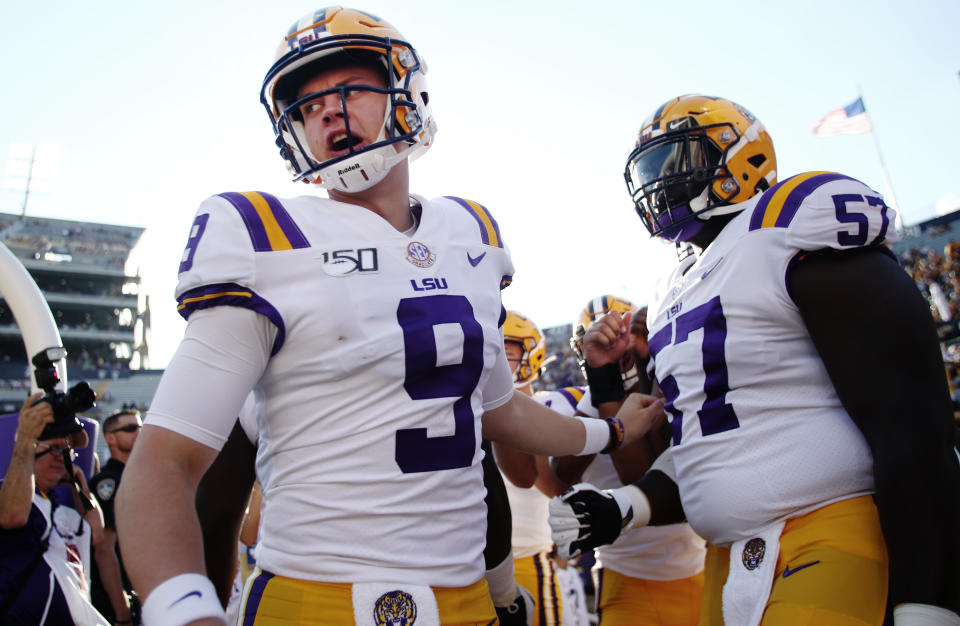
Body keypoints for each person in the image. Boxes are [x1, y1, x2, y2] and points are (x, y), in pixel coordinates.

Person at [115, 8, 663, 626]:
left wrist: (614, 433)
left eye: (347, 89)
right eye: (305, 105)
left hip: (466, 601)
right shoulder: (263, 235)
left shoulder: (471, 235)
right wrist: (183, 611)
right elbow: (164, 460)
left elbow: (499, 409)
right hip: (315, 601)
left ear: (408, 91)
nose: (325, 111)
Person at [550, 94, 960, 625]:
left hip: (831, 533)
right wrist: (628, 505)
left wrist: (931, 596)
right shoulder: (676, 286)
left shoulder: (788, 222)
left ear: (742, 159)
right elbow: (709, 444)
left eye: (677, 162)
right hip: (727, 563)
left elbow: (911, 417)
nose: (659, 182)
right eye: (651, 169)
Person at [553, 297, 705, 626]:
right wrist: (603, 396)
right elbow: (562, 473)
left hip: (699, 567)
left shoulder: (668, 386)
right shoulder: (586, 402)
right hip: (628, 574)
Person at [492, 310, 586, 626]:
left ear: (531, 356)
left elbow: (554, 485)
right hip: (475, 563)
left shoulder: (554, 404)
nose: (491, 361)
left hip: (529, 557)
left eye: (503, 353)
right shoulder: (471, 409)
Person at [0, 392, 108, 624]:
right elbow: (13, 515)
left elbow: (96, 534)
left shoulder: (59, 506)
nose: (62, 458)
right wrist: (25, 440)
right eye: (54, 449)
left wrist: (79, 483)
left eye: (67, 451)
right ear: (30, 448)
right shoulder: (10, 497)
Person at [90, 408, 143, 625]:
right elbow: (104, 549)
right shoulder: (109, 483)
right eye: (130, 428)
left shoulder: (137, 477)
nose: (138, 433)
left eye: (141, 427)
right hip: (115, 605)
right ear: (110, 438)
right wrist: (121, 611)